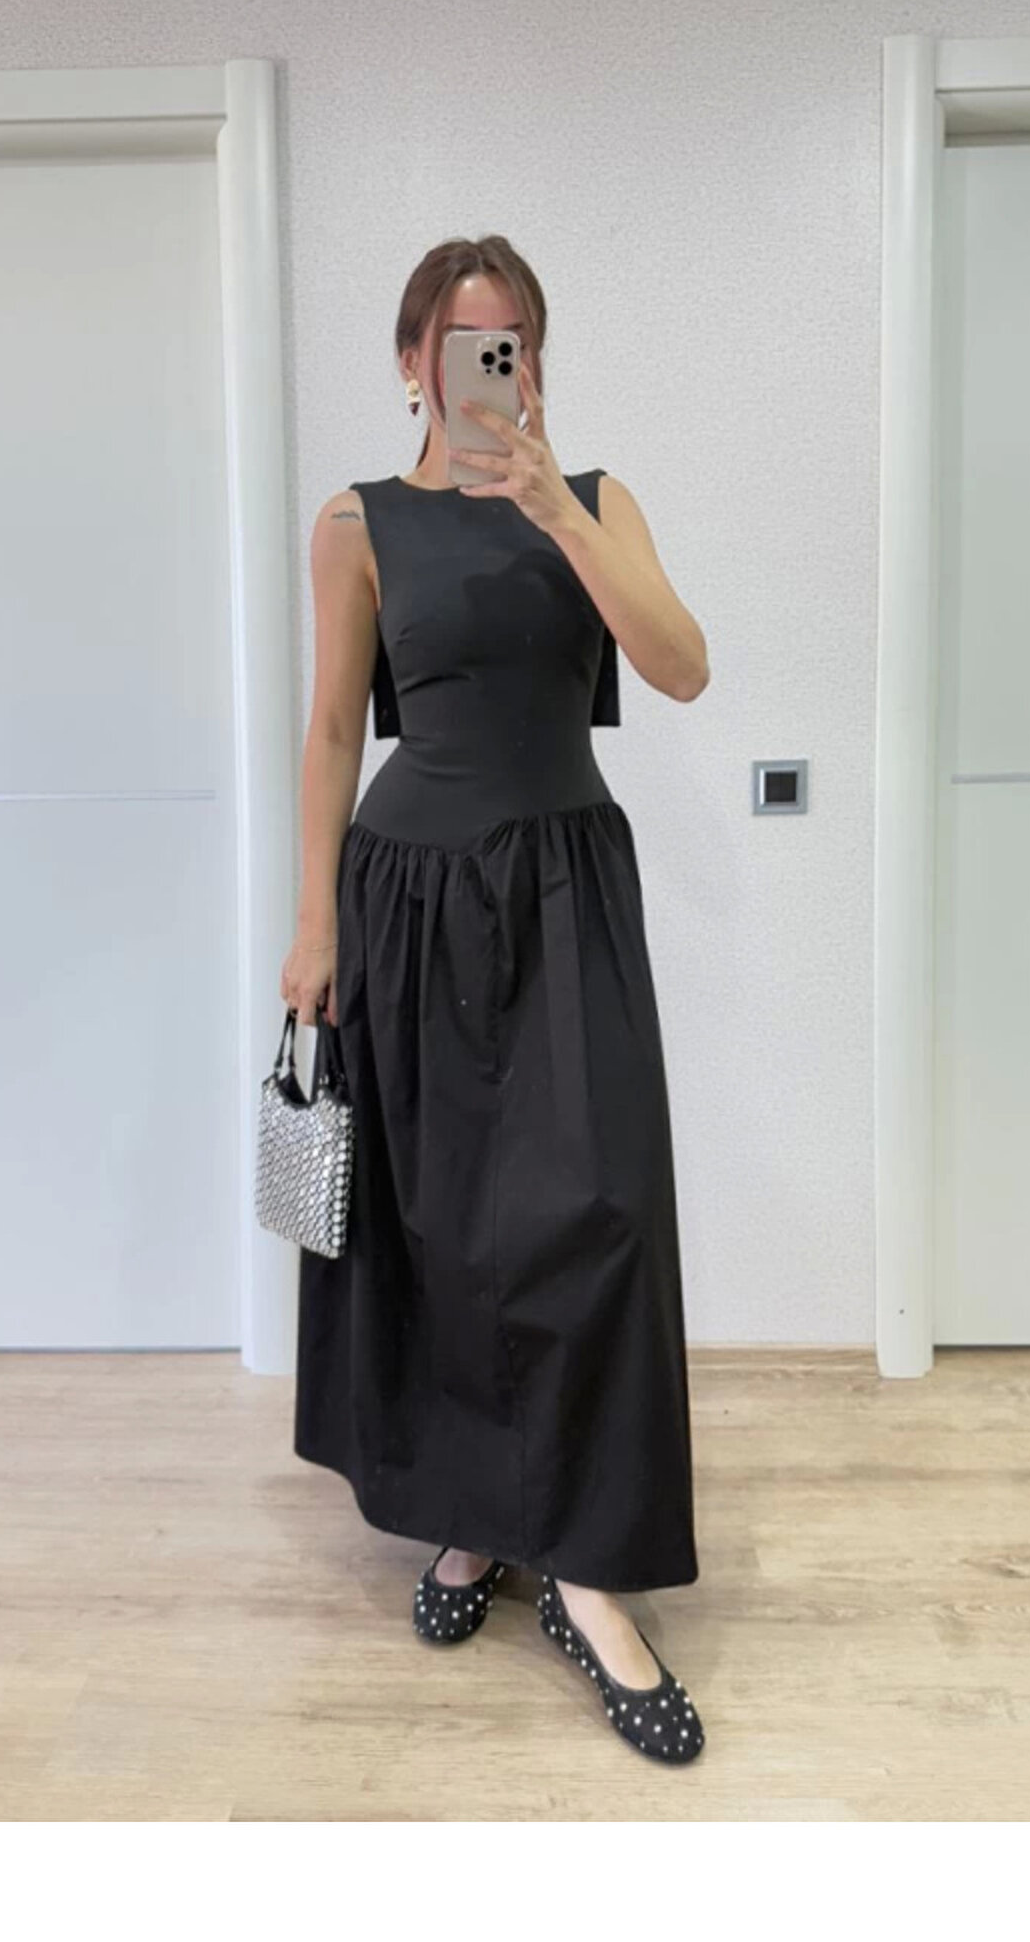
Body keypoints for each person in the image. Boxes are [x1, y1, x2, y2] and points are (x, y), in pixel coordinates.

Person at [284, 235, 711, 1765]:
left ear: (534, 359)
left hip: (566, 889)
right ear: (413, 361)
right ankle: (472, 1519)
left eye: (512, 340)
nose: (488, 363)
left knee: (596, 1216)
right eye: (463, 341)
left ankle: (589, 1573)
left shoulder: (595, 499)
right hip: (406, 900)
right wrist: (312, 926)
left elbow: (682, 667)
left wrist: (554, 511)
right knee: (444, 1224)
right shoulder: (358, 522)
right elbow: (336, 730)